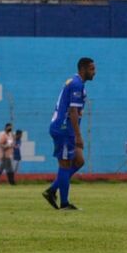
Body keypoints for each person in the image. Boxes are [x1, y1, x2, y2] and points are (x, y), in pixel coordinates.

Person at [42, 57, 96, 210]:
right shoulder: (76, 84)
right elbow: (72, 111)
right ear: (83, 69)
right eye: (92, 69)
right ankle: (64, 204)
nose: (95, 72)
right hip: (64, 129)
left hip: (67, 129)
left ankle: (52, 190)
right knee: (65, 164)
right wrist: (78, 136)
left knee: (79, 161)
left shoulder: (75, 82)